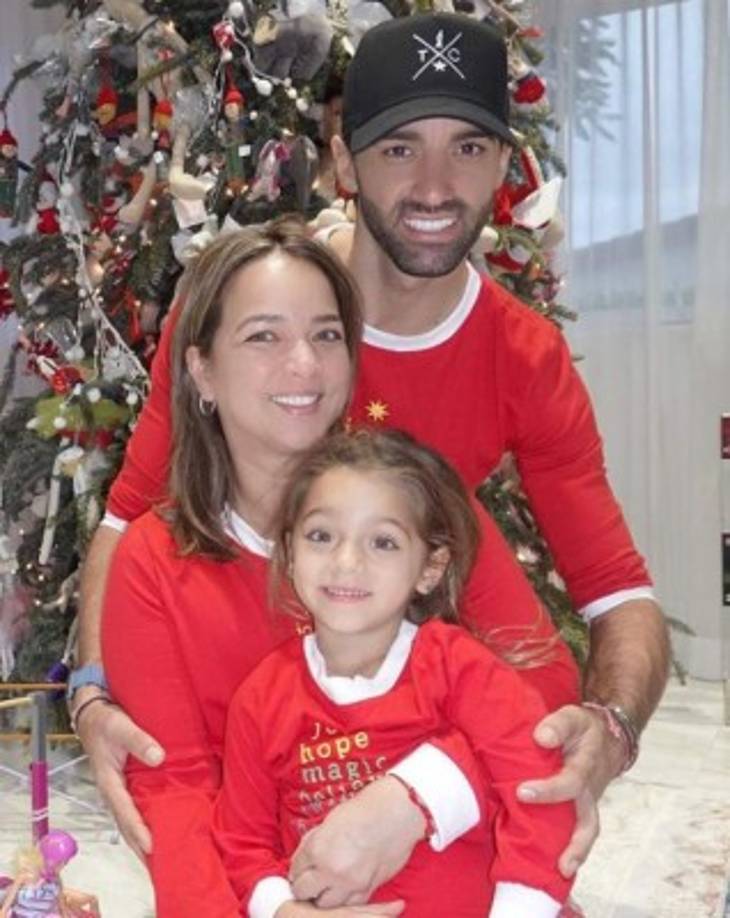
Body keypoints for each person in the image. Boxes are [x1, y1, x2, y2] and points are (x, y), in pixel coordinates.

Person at [73, 9, 669, 904]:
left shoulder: (450, 464)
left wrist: (432, 792)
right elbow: (131, 529)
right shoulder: (230, 313)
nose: (433, 184)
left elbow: (586, 622)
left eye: (468, 148)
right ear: (343, 162)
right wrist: (92, 692)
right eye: (397, 149)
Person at [100, 221, 579, 916]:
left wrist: (417, 795)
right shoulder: (153, 561)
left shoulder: (420, 504)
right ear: (201, 371)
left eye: (326, 335)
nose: (305, 365)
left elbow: (542, 685)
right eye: (264, 336)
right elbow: (175, 792)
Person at [214, 428, 576, 918]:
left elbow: (539, 786)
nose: (346, 562)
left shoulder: (460, 668)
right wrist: (282, 910)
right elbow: (242, 844)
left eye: (383, 543)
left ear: (430, 567)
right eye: (321, 536)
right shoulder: (261, 697)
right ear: (290, 551)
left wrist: (523, 909)